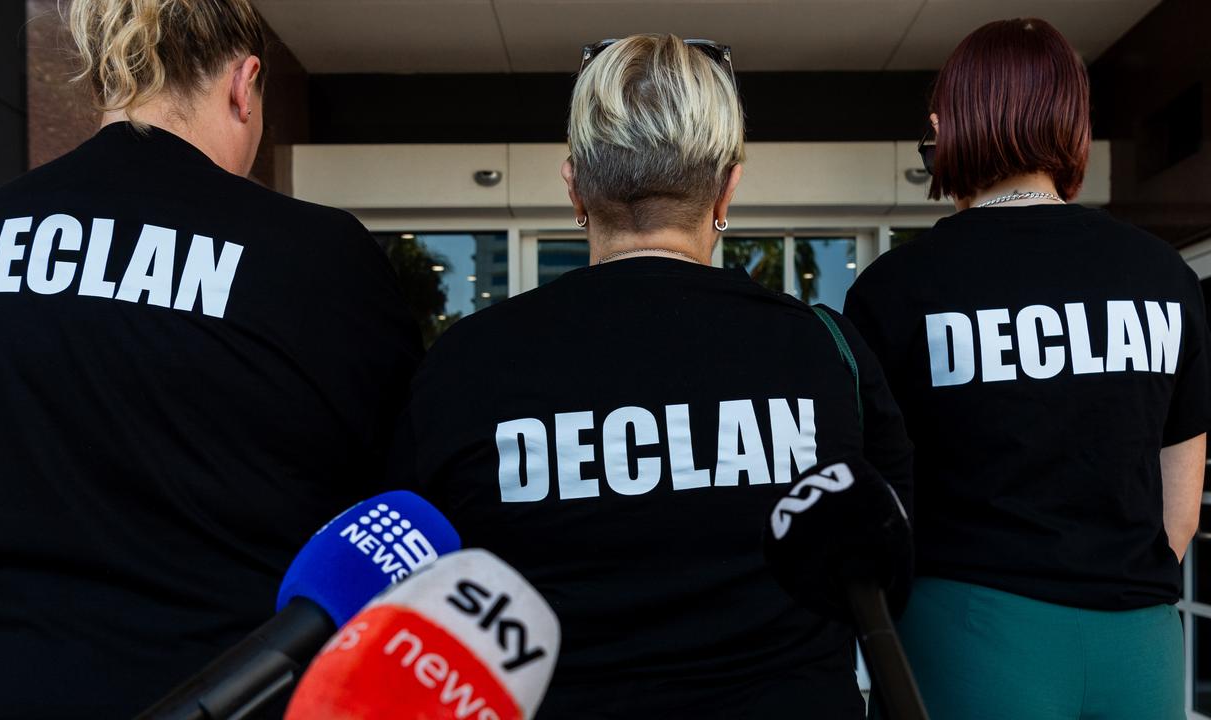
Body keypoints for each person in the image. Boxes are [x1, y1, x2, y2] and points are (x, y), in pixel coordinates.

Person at [388, 34, 913, 718]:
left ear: (575, 185)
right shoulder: (824, 350)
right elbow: (889, 568)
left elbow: (413, 587)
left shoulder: (463, 362)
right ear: (727, 188)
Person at [0, 1, 421, 716]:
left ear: (106, 77)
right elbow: (394, 493)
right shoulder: (313, 253)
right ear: (244, 85)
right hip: (218, 689)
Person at [845, 18, 1210, 720]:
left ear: (946, 126)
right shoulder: (1164, 277)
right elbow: (1180, 509)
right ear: (1074, 125)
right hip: (1138, 640)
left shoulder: (897, 290)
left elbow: (874, 496)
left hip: (967, 633)